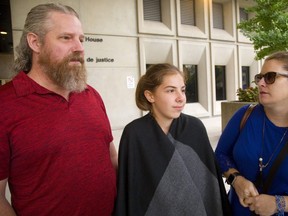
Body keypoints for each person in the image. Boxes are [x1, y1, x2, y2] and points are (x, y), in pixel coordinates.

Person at [0, 3, 117, 216]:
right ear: (35, 42)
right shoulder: (5, 104)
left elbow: (111, 159)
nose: (79, 47)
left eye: (81, 39)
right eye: (66, 38)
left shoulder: (90, 94)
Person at [113, 63, 231, 215]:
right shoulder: (135, 133)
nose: (180, 98)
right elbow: (130, 191)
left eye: (182, 90)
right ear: (150, 96)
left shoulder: (195, 128)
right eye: (170, 91)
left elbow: (210, 185)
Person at [215, 51, 288, 215]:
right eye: (259, 77)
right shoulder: (245, 115)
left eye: (270, 77)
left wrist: (279, 204)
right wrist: (236, 179)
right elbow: (220, 154)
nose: (261, 83)